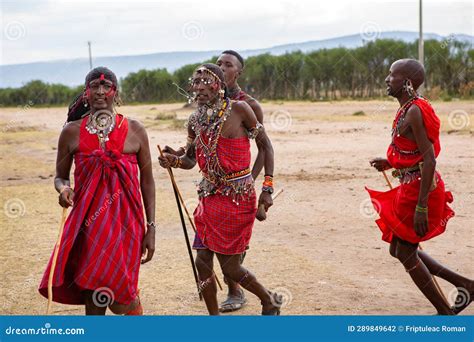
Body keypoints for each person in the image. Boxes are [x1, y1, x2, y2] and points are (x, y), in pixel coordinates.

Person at [159, 63, 281, 315]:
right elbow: (191, 160)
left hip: (238, 198)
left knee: (231, 269)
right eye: (196, 82)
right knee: (202, 262)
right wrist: (175, 161)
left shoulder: (240, 109)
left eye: (207, 81)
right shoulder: (195, 120)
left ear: (220, 84)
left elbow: (266, 147)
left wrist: (267, 188)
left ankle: (268, 299)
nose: (200, 87)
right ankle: (213, 320)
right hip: (209, 197)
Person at [38, 67, 156, 315]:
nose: (101, 92)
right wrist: (64, 189)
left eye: (107, 87)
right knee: (94, 289)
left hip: (128, 224)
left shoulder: (135, 129)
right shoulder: (71, 132)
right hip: (89, 224)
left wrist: (151, 227)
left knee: (122, 297)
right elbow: (60, 177)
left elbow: (147, 181)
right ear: (86, 93)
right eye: (94, 86)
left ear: (116, 92)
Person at [366, 59, 472, 315]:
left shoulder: (415, 110)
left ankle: (444, 313)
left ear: (407, 83)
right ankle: (465, 285)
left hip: (421, 191)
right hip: (410, 187)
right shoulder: (407, 108)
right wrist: (390, 162)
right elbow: (413, 151)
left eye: (392, 75)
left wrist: (422, 206)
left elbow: (429, 159)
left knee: (404, 251)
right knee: (399, 249)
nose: (386, 79)